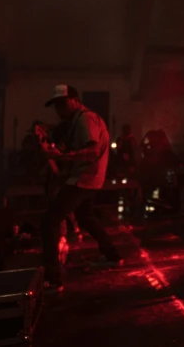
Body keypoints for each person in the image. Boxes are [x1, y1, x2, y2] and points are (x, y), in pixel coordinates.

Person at [40, 84, 122, 292]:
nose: (59, 109)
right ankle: (112, 255)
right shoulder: (78, 120)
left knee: (50, 220)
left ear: (75, 100)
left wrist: (62, 157)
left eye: (63, 103)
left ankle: (53, 278)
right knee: (87, 218)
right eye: (56, 105)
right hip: (88, 178)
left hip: (83, 179)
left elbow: (93, 150)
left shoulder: (85, 119)